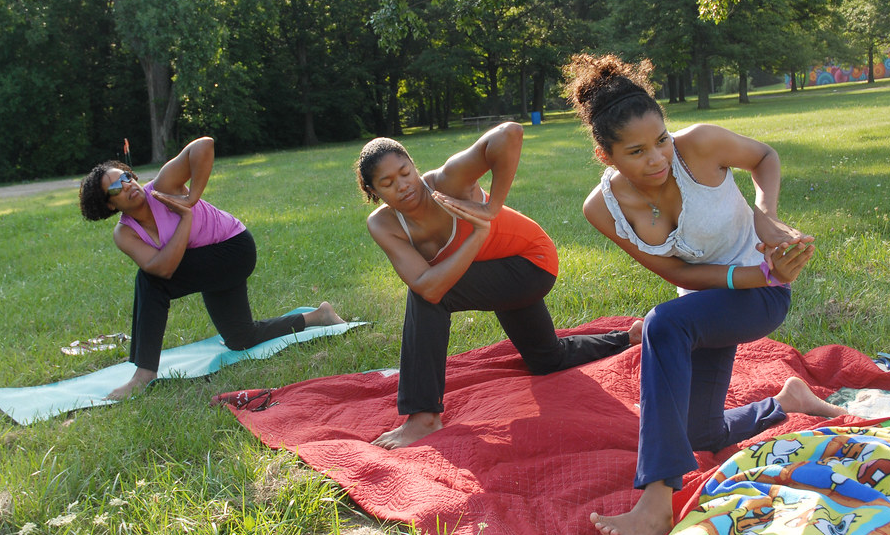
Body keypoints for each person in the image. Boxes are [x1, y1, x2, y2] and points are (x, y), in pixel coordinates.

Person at [563, 54, 847, 535]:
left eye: (661, 141)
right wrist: (750, 273)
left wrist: (768, 221)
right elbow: (676, 271)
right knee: (698, 432)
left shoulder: (702, 145)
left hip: (763, 295)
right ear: (606, 156)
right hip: (708, 304)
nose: (657, 158)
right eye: (636, 152)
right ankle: (785, 401)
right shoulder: (601, 207)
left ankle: (656, 496)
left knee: (662, 324)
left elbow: (765, 157)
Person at [355, 122, 641, 449]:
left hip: (530, 263)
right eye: (388, 183)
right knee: (546, 360)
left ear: (413, 165)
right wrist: (477, 235)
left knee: (427, 297)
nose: (403, 185)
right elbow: (425, 282)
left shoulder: (449, 182)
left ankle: (423, 417)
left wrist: (493, 207)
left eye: (405, 172)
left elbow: (509, 134)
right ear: (373, 191)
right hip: (494, 273)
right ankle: (627, 338)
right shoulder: (383, 223)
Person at [79, 136, 344, 401]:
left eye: (126, 177)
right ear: (109, 205)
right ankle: (318, 316)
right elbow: (163, 268)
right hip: (206, 261)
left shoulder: (163, 187)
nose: (127, 185)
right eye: (116, 187)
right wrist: (186, 217)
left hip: (234, 249)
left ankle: (144, 373)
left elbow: (204, 145)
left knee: (149, 281)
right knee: (241, 337)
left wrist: (191, 199)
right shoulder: (125, 233)